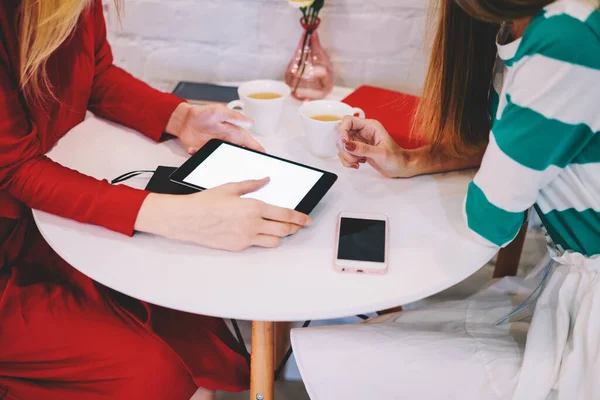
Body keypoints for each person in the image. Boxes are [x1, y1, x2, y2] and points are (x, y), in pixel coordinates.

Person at [0, 0, 312, 399]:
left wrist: (179, 118)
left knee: (187, 317)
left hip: (37, 224)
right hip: (14, 249)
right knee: (154, 373)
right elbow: (15, 167)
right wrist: (180, 217)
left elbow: (96, 74)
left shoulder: (72, 7)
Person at [292, 0, 600, 398]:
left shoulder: (563, 41)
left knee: (349, 358)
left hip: (587, 320)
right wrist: (408, 159)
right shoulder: (525, 26)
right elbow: (509, 146)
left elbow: (491, 220)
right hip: (568, 285)